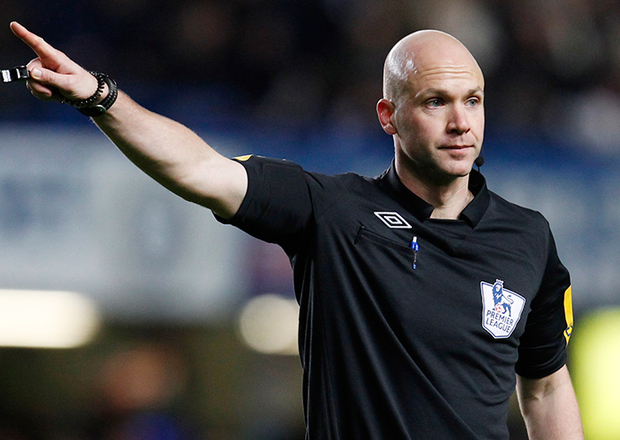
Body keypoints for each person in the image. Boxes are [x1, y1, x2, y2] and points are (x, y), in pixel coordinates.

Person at [10, 21, 584, 440]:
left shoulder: (528, 239)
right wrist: (101, 97)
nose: (461, 122)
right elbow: (200, 169)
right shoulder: (333, 212)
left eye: (473, 101)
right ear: (388, 116)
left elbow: (546, 387)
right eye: (436, 102)